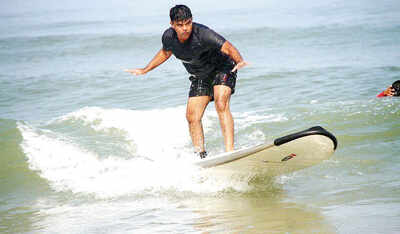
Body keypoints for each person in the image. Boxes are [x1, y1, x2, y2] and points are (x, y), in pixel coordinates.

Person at [125, 5, 248, 158]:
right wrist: (145, 69)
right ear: (172, 24)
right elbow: (165, 52)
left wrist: (239, 60)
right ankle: (201, 156)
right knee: (192, 116)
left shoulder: (203, 34)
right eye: (180, 25)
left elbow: (228, 47)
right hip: (200, 75)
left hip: (222, 68)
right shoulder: (169, 37)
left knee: (221, 102)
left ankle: (230, 152)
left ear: (192, 21)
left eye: (188, 23)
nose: (185, 28)